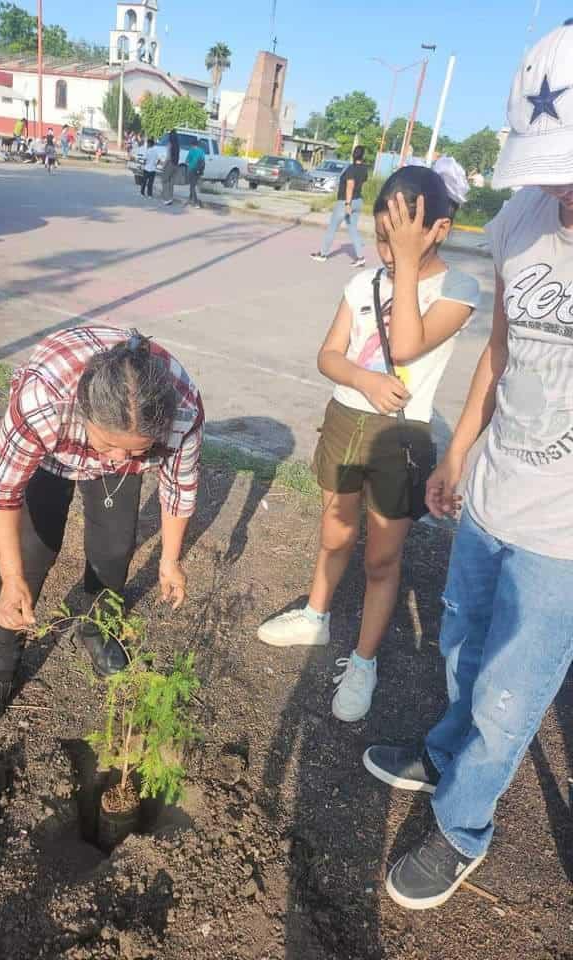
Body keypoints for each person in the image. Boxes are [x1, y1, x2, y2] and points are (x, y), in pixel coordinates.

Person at [363, 19, 573, 911]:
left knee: (510, 694)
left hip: (561, 535)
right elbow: (501, 346)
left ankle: (462, 828)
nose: (560, 190)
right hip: (493, 491)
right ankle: (445, 753)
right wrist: (459, 451)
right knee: (459, 646)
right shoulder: (527, 215)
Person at [258, 162, 478, 725]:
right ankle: (316, 615)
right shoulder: (360, 283)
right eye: (382, 236)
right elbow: (328, 354)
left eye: (399, 238)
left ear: (439, 230)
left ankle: (364, 661)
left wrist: (405, 262)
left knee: (382, 557)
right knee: (334, 532)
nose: (386, 249)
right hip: (344, 420)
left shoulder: (458, 289)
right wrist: (361, 379)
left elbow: (404, 347)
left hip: (400, 438)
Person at [0, 328, 204, 737]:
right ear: (84, 411)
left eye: (137, 449)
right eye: (110, 445)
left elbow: (179, 486)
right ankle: (1, 672)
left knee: (113, 549)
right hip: (56, 450)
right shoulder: (44, 402)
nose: (119, 460)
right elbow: (1, 490)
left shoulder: (181, 411)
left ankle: (96, 629)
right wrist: (12, 577)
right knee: (33, 553)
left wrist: (170, 560)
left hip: (111, 429)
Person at [311, 145, 369, 267]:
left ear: (354, 154)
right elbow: (361, 183)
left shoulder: (351, 169)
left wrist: (348, 203)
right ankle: (360, 257)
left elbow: (350, 185)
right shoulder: (364, 169)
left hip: (345, 202)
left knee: (332, 228)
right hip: (358, 201)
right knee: (353, 229)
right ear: (363, 156)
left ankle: (323, 254)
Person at [160, 129, 180, 206]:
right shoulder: (177, 144)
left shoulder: (170, 144)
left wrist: (163, 165)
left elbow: (168, 157)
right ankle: (171, 198)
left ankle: (166, 199)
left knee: (164, 181)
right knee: (171, 182)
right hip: (175, 165)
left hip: (169, 164)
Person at [186, 138, 206, 209]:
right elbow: (203, 161)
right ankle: (190, 198)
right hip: (198, 171)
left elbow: (187, 160)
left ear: (192, 145)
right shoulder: (202, 151)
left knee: (192, 186)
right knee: (193, 185)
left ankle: (195, 202)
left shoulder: (191, 151)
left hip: (191, 170)